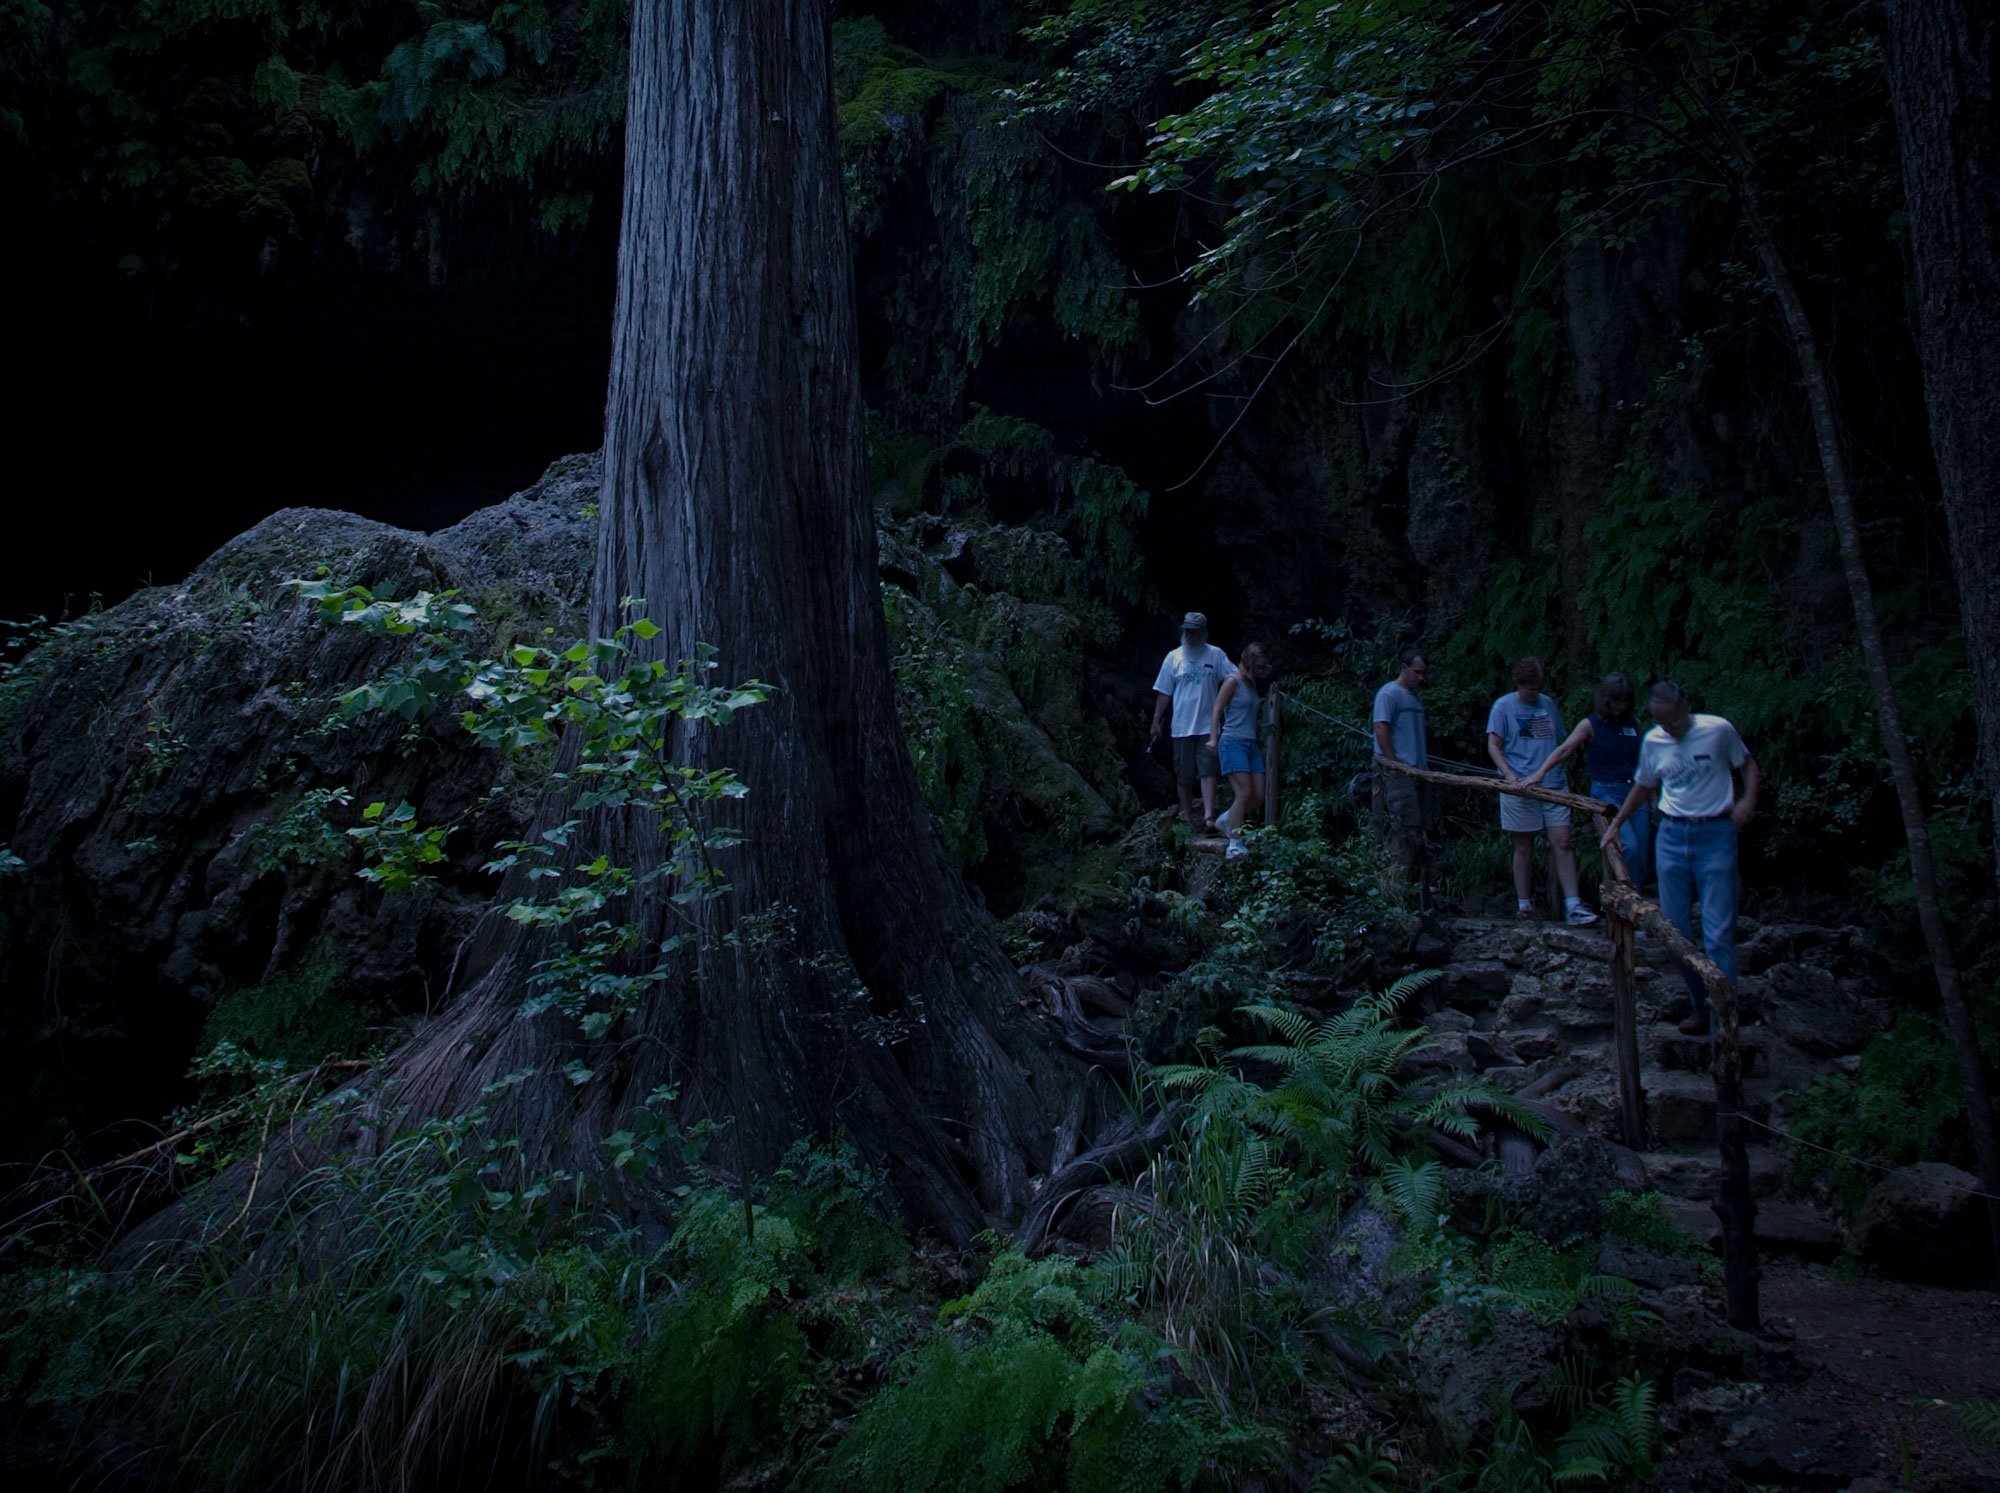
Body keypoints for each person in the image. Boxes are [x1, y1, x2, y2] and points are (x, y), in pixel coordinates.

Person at [1600, 681, 1758, 1037]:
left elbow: (1747, 765)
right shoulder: (1654, 741)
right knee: (1675, 932)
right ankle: (1699, 1002)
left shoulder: (1717, 730)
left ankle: (1724, 1019)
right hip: (1671, 835)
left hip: (1715, 834)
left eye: (1673, 721)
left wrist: (1747, 800)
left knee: (1717, 934)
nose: (1669, 729)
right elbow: (1644, 785)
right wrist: (1618, 822)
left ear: (1684, 709)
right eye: (1662, 722)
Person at [1486, 656, 1598, 925]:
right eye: (1529, 688)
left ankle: (1573, 905)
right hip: (1520, 787)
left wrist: (1546, 771)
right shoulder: (1503, 707)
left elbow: (1558, 741)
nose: (1534, 692)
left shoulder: (1547, 704)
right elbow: (1493, 745)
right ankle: (1524, 905)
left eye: (1537, 687)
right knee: (1524, 846)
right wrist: (1510, 776)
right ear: (1520, 683)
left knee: (1563, 841)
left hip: (1552, 782)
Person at [1525, 671, 1650, 888]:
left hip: (1635, 792)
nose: (1620, 705)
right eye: (1616, 700)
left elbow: (1646, 761)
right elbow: (1565, 750)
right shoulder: (1590, 725)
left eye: (1625, 700)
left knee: (1643, 850)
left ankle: (1634, 899)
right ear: (1605, 699)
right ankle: (1622, 894)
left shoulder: (1634, 724)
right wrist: (1540, 773)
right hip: (1607, 792)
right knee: (1628, 846)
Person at [1149, 612, 1233, 831]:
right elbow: (1164, 692)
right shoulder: (1173, 657)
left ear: (1203, 632)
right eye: (1187, 631)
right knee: (1183, 773)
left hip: (1209, 726)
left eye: (1194, 632)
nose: (1190, 635)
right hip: (1181, 727)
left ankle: (1208, 817)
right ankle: (1185, 815)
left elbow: (1233, 679)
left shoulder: (1216, 655)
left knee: (1208, 770)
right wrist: (1156, 720)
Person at [1371, 646, 1429, 900]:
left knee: (1420, 828)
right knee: (1405, 827)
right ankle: (1394, 887)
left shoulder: (1415, 698)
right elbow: (1381, 727)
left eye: (1423, 673)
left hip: (1420, 772)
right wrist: (1394, 763)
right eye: (1417, 672)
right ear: (1404, 668)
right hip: (1400, 771)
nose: (1421, 677)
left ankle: (1416, 888)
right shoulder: (1388, 693)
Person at [1208, 642, 1273, 859]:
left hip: (1250, 743)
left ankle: (1226, 819)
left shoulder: (1252, 685)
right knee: (1243, 792)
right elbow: (1217, 710)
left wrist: (1262, 727)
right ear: (1250, 662)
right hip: (1232, 742)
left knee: (1257, 796)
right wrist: (1213, 738)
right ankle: (1234, 845)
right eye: (1260, 666)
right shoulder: (1231, 681)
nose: (1264, 670)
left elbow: (1248, 715)